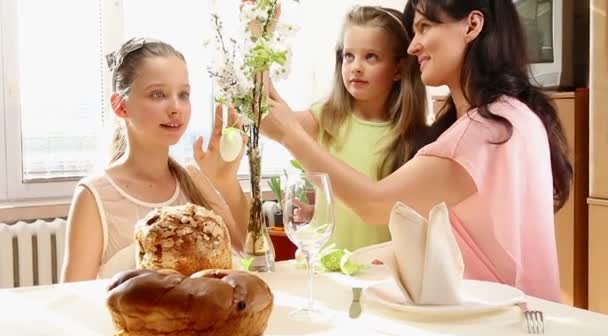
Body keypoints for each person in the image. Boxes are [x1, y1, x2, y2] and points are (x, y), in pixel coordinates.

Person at [261, 0, 572, 302]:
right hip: (524, 318)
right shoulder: (515, 116)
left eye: (425, 27)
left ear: (472, 25)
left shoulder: (484, 133)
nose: (413, 46)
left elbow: (373, 204)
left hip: (489, 321)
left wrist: (291, 135)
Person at [61, 38, 248, 282]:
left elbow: (259, 259)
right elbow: (75, 299)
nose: (176, 108)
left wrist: (227, 182)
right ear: (120, 106)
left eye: (184, 94)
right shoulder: (94, 196)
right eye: (158, 94)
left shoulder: (196, 181)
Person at [269, 5, 427, 251]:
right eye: (348, 56)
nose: (356, 67)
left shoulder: (416, 140)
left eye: (371, 56)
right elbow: (262, 110)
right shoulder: (324, 119)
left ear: (399, 69)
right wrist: (260, 34)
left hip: (379, 280)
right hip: (325, 276)